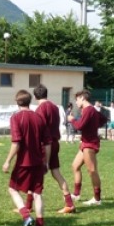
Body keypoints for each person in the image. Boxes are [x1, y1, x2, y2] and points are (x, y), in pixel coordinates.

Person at [3, 90, 51, 226]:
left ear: (17, 102)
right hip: (38, 162)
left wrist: (7, 161)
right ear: (30, 101)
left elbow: (16, 142)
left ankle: (26, 216)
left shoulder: (16, 118)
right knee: (37, 193)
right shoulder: (39, 117)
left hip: (24, 162)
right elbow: (47, 143)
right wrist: (46, 162)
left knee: (12, 189)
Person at [33, 85, 76, 214]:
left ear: (35, 96)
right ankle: (69, 203)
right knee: (56, 172)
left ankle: (29, 205)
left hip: (46, 144)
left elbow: (39, 128)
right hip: (55, 142)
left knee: (36, 174)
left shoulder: (41, 109)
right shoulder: (54, 107)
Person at [67, 90, 108, 206]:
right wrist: (93, 127)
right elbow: (103, 119)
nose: (76, 102)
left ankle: (97, 199)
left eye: (77, 99)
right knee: (75, 166)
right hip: (85, 143)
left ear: (82, 98)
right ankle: (76, 194)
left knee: (92, 171)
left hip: (90, 144)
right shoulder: (90, 110)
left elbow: (80, 126)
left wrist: (72, 120)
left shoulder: (89, 110)